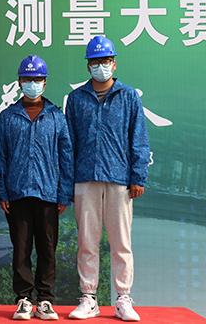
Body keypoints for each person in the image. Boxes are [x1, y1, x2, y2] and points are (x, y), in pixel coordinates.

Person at [66, 36, 149, 322]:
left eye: (106, 61)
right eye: (95, 62)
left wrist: (138, 176)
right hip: (84, 177)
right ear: (88, 66)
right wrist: (68, 183)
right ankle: (89, 298)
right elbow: (69, 144)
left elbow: (139, 138)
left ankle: (123, 298)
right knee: (87, 242)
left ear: (114, 64)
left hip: (118, 178)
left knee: (121, 243)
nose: (101, 66)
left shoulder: (128, 96)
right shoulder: (77, 99)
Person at [0, 55, 74, 321]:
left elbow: (66, 157)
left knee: (48, 248)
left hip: (48, 193)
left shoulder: (56, 117)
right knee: (21, 248)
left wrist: (64, 194)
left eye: (37, 79)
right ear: (19, 82)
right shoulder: (8, 117)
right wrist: (1, 191)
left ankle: (45, 300)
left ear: (45, 83)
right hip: (17, 193)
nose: (32, 84)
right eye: (28, 79)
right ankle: (24, 299)